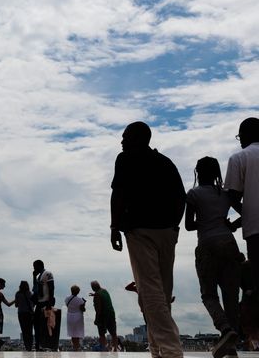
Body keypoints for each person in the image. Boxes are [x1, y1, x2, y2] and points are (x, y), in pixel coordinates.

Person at [110, 121, 185, 358]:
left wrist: (114, 227)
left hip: (140, 230)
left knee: (150, 290)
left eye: (125, 137)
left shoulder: (125, 160)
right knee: (161, 292)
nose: (121, 142)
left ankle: (171, 350)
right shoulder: (165, 162)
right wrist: (174, 227)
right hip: (167, 232)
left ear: (137, 139)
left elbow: (118, 194)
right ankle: (156, 349)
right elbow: (181, 197)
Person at [186, 156, 241, 358]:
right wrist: (232, 225)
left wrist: (205, 221)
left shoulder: (193, 194)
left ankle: (225, 328)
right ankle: (232, 346)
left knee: (209, 294)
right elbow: (247, 211)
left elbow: (189, 225)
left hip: (207, 245)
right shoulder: (226, 194)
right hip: (228, 244)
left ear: (198, 172)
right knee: (231, 295)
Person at [225, 117, 259, 295]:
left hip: (255, 232)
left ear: (245, 135)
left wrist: (238, 221)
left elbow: (232, 196)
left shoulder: (239, 158)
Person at [32, 259, 54, 351]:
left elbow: (51, 287)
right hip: (39, 303)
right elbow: (35, 288)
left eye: (34, 266)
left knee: (46, 325)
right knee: (37, 324)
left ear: (39, 266)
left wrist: (49, 302)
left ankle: (45, 344)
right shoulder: (38, 277)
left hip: (46, 302)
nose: (33, 268)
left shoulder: (47, 273)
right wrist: (33, 277)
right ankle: (38, 345)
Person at [91, 281, 117, 351]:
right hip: (111, 314)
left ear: (93, 288)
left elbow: (98, 310)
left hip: (103, 316)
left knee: (102, 334)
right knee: (113, 333)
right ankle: (115, 349)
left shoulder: (97, 295)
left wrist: (96, 319)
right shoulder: (104, 291)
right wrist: (95, 295)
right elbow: (101, 296)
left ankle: (105, 349)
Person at [0, 278, 14, 350]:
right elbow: (8, 304)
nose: (4, 286)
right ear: (0, 284)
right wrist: (15, 300)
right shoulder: (0, 294)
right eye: (4, 284)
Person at [14, 280, 34, 351]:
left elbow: (16, 305)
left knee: (24, 331)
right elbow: (33, 304)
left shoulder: (17, 294)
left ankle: (27, 347)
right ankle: (30, 347)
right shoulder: (30, 293)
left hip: (21, 314)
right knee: (30, 331)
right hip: (29, 314)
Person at [65, 284, 85, 351]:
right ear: (78, 292)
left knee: (72, 334)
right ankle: (77, 348)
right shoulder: (80, 300)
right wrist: (84, 303)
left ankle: (74, 347)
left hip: (70, 317)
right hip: (78, 317)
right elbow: (83, 309)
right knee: (77, 334)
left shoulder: (67, 298)